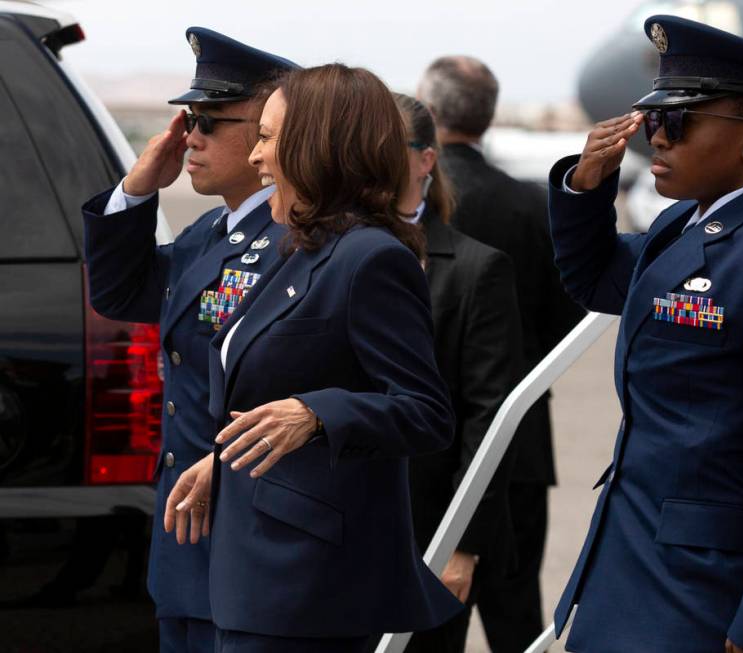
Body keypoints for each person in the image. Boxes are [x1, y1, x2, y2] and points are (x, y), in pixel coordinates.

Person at [548, 16, 743, 653]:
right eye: (654, 121)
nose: (656, 140)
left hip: (710, 601)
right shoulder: (678, 230)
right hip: (628, 573)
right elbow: (595, 280)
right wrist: (587, 185)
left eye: (677, 123)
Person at [166, 63, 462, 652]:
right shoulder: (294, 249)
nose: (255, 156)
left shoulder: (369, 259)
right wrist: (221, 463)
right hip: (247, 569)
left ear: (317, 148)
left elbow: (426, 413)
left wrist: (317, 413)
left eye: (269, 138)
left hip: (307, 584)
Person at [82, 27, 297, 653]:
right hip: (187, 537)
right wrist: (138, 190)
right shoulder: (210, 234)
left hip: (248, 532)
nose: (191, 138)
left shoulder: (299, 243)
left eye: (211, 122)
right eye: (189, 121)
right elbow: (123, 296)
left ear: (266, 133)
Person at [417, 56, 585, 651]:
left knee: (428, 628)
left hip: (435, 453)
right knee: (517, 619)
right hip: (522, 444)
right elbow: (570, 322)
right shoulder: (531, 205)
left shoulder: (417, 211)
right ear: (486, 117)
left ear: (430, 113)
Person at [393, 93, 523, 653]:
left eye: (385, 149)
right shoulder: (320, 252)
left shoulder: (474, 269)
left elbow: (489, 417)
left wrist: (461, 544)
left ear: (426, 159)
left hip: (427, 530)